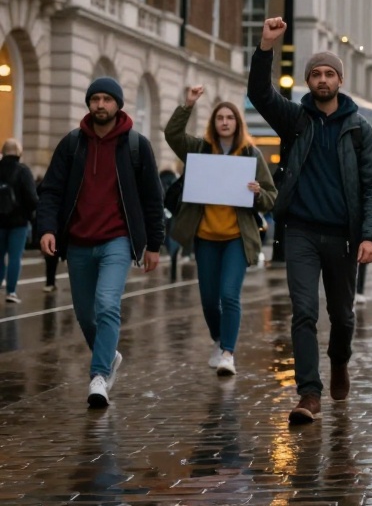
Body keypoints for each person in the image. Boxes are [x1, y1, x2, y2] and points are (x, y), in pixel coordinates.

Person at [247, 18, 372, 425]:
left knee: (342, 316)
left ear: (340, 80)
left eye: (329, 74)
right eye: (316, 74)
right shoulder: (295, 120)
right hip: (302, 232)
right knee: (304, 311)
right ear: (308, 80)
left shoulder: (359, 130)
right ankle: (309, 393)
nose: (322, 80)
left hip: (343, 236)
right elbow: (259, 93)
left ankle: (339, 361)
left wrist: (370, 236)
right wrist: (266, 47)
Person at [34, 77, 164, 408]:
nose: (101, 105)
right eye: (96, 99)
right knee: (84, 314)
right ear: (89, 103)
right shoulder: (72, 143)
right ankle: (109, 354)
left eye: (107, 99)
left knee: (107, 304)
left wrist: (153, 244)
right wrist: (47, 228)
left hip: (116, 241)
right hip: (77, 241)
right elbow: (50, 190)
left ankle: (100, 375)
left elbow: (152, 198)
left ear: (118, 104)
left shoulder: (136, 145)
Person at [164, 86, 278, 376]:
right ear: (213, 123)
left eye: (230, 117)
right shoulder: (200, 149)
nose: (225, 122)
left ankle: (228, 352)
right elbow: (172, 136)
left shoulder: (251, 153)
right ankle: (218, 339)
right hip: (205, 238)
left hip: (237, 239)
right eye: (220, 118)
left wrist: (256, 193)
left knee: (229, 295)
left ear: (238, 123)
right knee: (208, 299)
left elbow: (271, 196)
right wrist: (187, 105)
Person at [0, 139, 39, 303]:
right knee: (15, 257)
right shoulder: (23, 171)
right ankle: (11, 292)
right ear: (19, 152)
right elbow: (32, 198)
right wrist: (30, 213)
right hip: (19, 221)